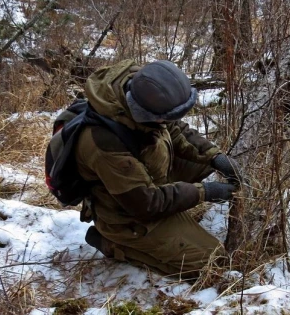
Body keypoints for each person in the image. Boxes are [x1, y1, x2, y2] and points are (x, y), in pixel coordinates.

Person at [75, 59, 241, 280]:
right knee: (211, 262)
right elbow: (146, 203)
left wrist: (215, 157)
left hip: (146, 175)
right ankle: (111, 242)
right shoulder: (105, 143)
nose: (172, 120)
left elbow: (174, 128)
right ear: (145, 115)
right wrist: (204, 192)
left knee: (202, 161)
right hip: (126, 212)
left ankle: (173, 199)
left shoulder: (141, 90)